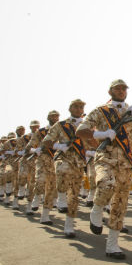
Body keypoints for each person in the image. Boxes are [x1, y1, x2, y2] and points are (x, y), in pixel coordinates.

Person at [77, 79, 132, 259]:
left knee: (120, 204)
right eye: (117, 89)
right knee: (105, 184)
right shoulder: (101, 111)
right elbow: (81, 131)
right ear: (110, 91)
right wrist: (101, 134)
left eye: (123, 89)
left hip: (126, 163)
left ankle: (112, 245)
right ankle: (97, 209)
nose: (121, 91)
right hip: (105, 157)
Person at [42, 99, 87, 238]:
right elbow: (47, 141)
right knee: (62, 172)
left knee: (74, 195)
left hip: (79, 162)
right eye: (76, 106)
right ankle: (60, 199)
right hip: (63, 158)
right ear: (70, 109)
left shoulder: (87, 126)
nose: (79, 109)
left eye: (81, 107)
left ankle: (69, 225)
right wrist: (59, 146)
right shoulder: (61, 125)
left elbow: (93, 142)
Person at [28, 110, 60, 222]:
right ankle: (36, 198)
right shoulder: (41, 132)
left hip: (55, 160)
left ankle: (45, 216)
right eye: (53, 117)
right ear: (48, 118)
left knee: (51, 189)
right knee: (40, 181)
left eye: (57, 117)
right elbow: (28, 147)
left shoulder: (62, 131)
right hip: (42, 159)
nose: (55, 118)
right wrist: (35, 150)